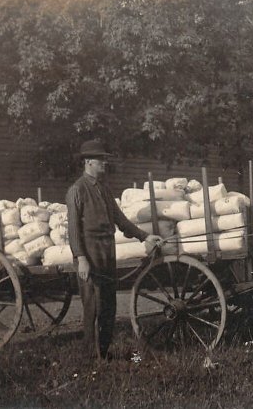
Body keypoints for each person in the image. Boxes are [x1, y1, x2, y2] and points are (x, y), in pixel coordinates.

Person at [66, 140, 163, 361]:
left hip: (107, 250)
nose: (104, 163)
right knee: (92, 305)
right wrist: (80, 258)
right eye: (101, 159)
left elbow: (121, 221)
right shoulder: (77, 190)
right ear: (88, 162)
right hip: (88, 252)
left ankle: (104, 351)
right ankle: (91, 356)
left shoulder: (105, 190)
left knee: (108, 304)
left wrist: (145, 236)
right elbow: (73, 231)